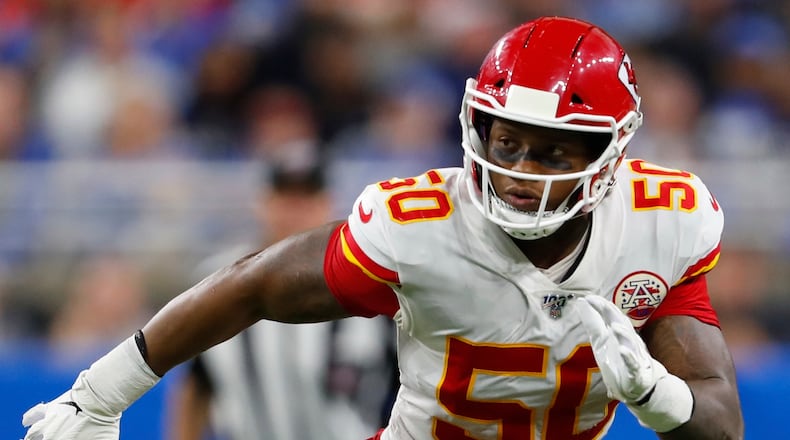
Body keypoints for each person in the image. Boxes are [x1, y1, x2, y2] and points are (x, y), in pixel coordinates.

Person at [21, 16, 743, 440]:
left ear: (610, 152)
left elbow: (721, 420)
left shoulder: (662, 222)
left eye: (553, 150)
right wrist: (99, 394)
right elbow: (253, 286)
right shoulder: (420, 226)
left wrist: (661, 397)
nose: (521, 169)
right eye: (506, 141)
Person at [166, 162, 393, 440]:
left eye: (306, 199)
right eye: (286, 200)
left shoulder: (369, 280)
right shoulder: (218, 284)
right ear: (263, 204)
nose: (295, 213)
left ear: (327, 204)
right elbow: (196, 384)